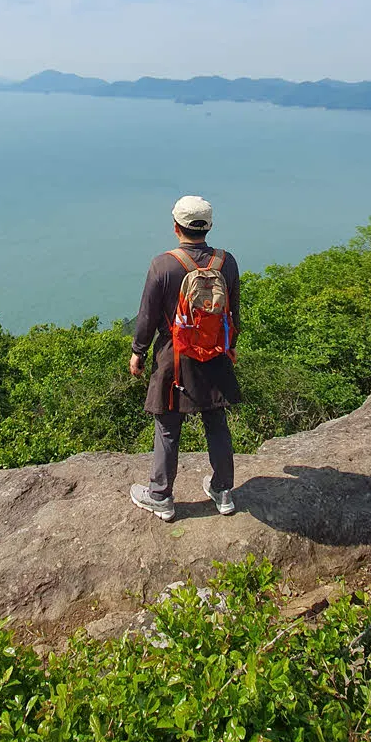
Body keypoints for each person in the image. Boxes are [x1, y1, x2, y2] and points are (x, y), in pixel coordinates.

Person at [129, 195, 242, 522]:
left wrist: (137, 352)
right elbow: (233, 310)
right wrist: (230, 343)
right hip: (216, 353)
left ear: (176, 227)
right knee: (216, 421)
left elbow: (147, 317)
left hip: (174, 357)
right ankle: (223, 491)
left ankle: (161, 496)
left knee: (167, 426)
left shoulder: (163, 264)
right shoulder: (226, 262)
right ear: (209, 227)